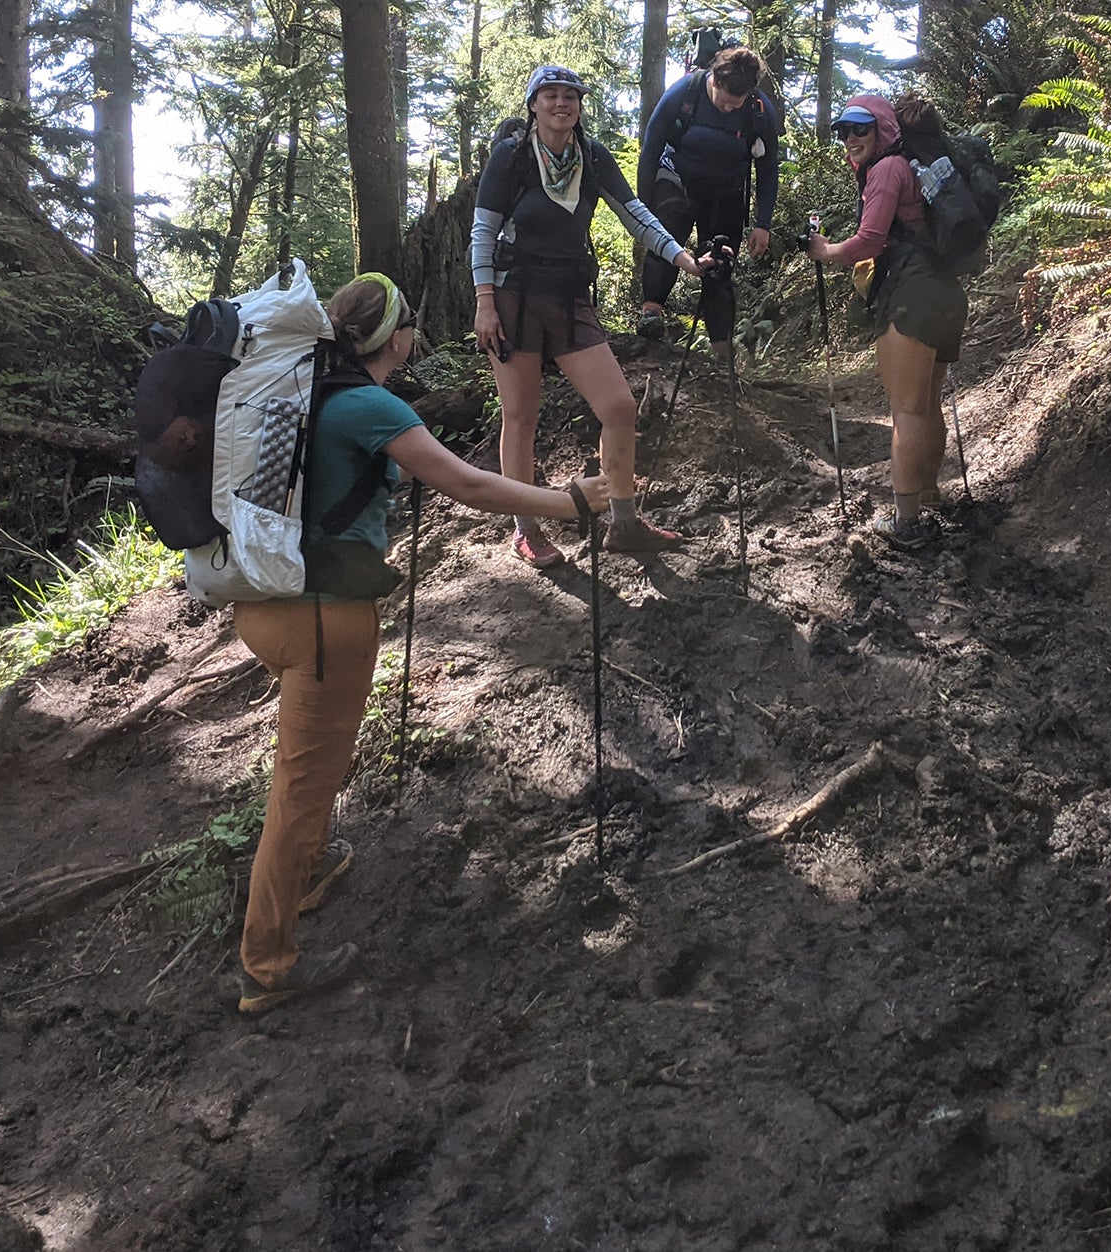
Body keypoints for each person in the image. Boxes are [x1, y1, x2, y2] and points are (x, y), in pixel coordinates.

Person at [234, 273, 613, 1015]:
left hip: (262, 605)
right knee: (302, 786)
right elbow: (466, 485)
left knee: (313, 764)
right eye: (409, 322)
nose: (414, 333)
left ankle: (307, 871)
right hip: (324, 622)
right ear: (392, 337)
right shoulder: (370, 402)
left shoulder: (299, 391)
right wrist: (565, 503)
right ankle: (267, 964)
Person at [472, 64, 713, 568]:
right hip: (514, 295)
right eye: (551, 95)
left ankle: (622, 522)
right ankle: (526, 528)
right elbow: (482, 232)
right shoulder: (511, 158)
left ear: (580, 105)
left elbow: (637, 216)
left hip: (569, 296)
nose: (563, 103)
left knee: (619, 406)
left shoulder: (592, 157)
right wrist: (484, 302)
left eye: (571, 96)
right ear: (534, 104)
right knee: (520, 416)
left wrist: (684, 260)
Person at [805, 93, 969, 550]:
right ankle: (929, 493)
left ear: (883, 128)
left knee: (907, 410)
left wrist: (826, 251)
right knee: (927, 402)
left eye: (860, 128)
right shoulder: (913, 168)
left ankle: (905, 519)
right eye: (843, 131)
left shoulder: (887, 169)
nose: (850, 138)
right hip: (945, 293)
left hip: (911, 296)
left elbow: (869, 240)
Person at [634, 44, 780, 359]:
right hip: (677, 180)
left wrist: (763, 223)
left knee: (720, 264)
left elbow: (768, 169)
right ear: (712, 78)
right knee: (666, 233)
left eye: (734, 104)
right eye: (723, 100)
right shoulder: (684, 92)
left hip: (726, 193)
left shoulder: (759, 110)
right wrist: (642, 211)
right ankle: (651, 313)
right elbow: (650, 149)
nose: (728, 108)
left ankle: (722, 355)